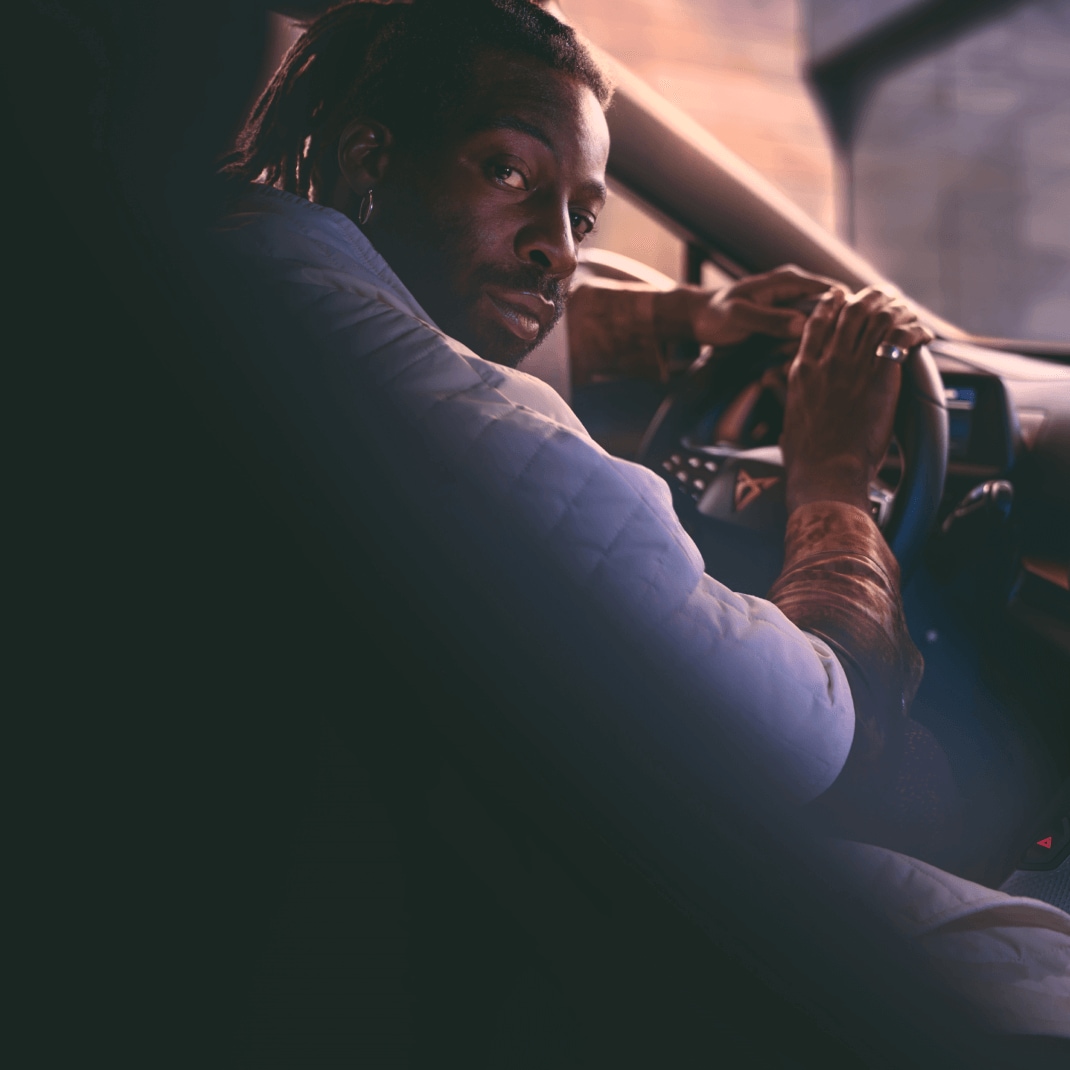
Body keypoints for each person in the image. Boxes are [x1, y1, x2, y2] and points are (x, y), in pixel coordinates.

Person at [207, 0, 1069, 1054]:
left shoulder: (219, 266)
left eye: (584, 215)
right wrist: (832, 475)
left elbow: (468, 299)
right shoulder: (495, 448)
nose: (557, 254)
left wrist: (690, 323)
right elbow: (814, 733)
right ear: (369, 159)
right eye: (508, 173)